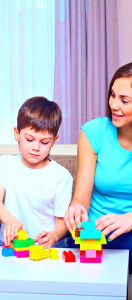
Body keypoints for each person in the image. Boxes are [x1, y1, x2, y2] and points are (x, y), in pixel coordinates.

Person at [64, 62, 132, 273]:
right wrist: (76, 208)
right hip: (96, 233)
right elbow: (81, 199)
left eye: (124, 100)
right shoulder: (93, 132)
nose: (114, 105)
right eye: (112, 95)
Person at [0, 97, 73, 248]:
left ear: (54, 141)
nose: (36, 147)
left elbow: (62, 224)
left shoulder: (62, 176)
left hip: (47, 248)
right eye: (29, 139)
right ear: (17, 134)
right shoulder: (5, 163)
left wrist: (53, 236)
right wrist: (10, 220)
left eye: (44, 142)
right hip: (9, 245)